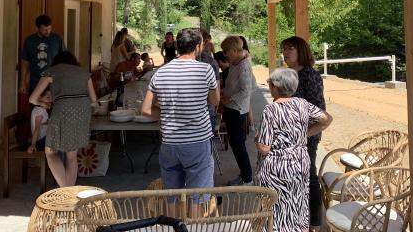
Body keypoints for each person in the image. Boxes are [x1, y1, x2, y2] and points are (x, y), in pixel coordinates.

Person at [141, 28, 220, 215]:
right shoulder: (205, 70)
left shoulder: (161, 72)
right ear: (198, 46)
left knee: (172, 196)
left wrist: (168, 113)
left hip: (170, 143)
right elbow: (215, 101)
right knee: (197, 198)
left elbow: (145, 110)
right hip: (197, 142)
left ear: (177, 46)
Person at [256, 68, 333, 232]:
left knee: (275, 208)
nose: (269, 85)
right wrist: (305, 135)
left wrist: (258, 138)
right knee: (298, 204)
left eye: (269, 83)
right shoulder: (302, 104)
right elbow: (327, 119)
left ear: (276, 86)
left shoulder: (271, 110)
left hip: (277, 168)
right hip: (300, 163)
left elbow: (264, 148)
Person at [29, 51, 97, 187]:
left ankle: (65, 189)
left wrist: (44, 104)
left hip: (63, 110)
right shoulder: (84, 73)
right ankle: (69, 193)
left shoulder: (51, 71)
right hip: (82, 111)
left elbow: (32, 98)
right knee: (72, 156)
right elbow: (94, 99)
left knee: (51, 152)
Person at [281, 36, 327, 231]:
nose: (285, 52)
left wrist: (304, 135)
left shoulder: (309, 75)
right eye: (284, 49)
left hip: (306, 137)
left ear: (301, 51)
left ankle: (314, 223)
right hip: (288, 137)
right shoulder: (287, 74)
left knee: (308, 177)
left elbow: (320, 114)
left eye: (290, 48)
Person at [220, 35, 253, 186]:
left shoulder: (243, 65)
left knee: (238, 144)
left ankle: (247, 178)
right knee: (236, 144)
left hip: (236, 110)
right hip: (232, 108)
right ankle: (244, 174)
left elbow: (245, 91)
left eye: (226, 51)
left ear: (234, 50)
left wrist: (228, 99)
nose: (225, 54)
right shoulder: (236, 61)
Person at [20, 15, 65, 95]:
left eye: (49, 29)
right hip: (35, 83)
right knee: (35, 106)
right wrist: (23, 81)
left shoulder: (57, 39)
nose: (48, 31)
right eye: (45, 30)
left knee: (53, 107)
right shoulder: (29, 41)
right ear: (38, 28)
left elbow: (64, 59)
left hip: (54, 83)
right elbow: (25, 62)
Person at [28, 89, 51, 153]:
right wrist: (33, 145)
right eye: (47, 97)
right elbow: (37, 128)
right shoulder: (39, 111)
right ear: (39, 98)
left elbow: (43, 124)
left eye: (51, 97)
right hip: (41, 141)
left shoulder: (41, 109)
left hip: (43, 138)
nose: (50, 100)